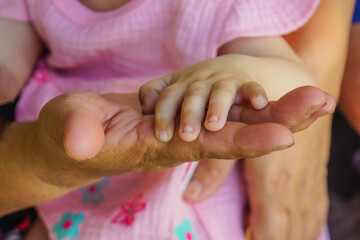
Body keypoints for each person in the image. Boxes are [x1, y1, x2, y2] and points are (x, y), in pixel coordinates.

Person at [0, 0, 338, 239]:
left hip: (189, 176)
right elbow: (11, 49)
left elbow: (294, 81)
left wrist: (238, 71)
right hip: (66, 161)